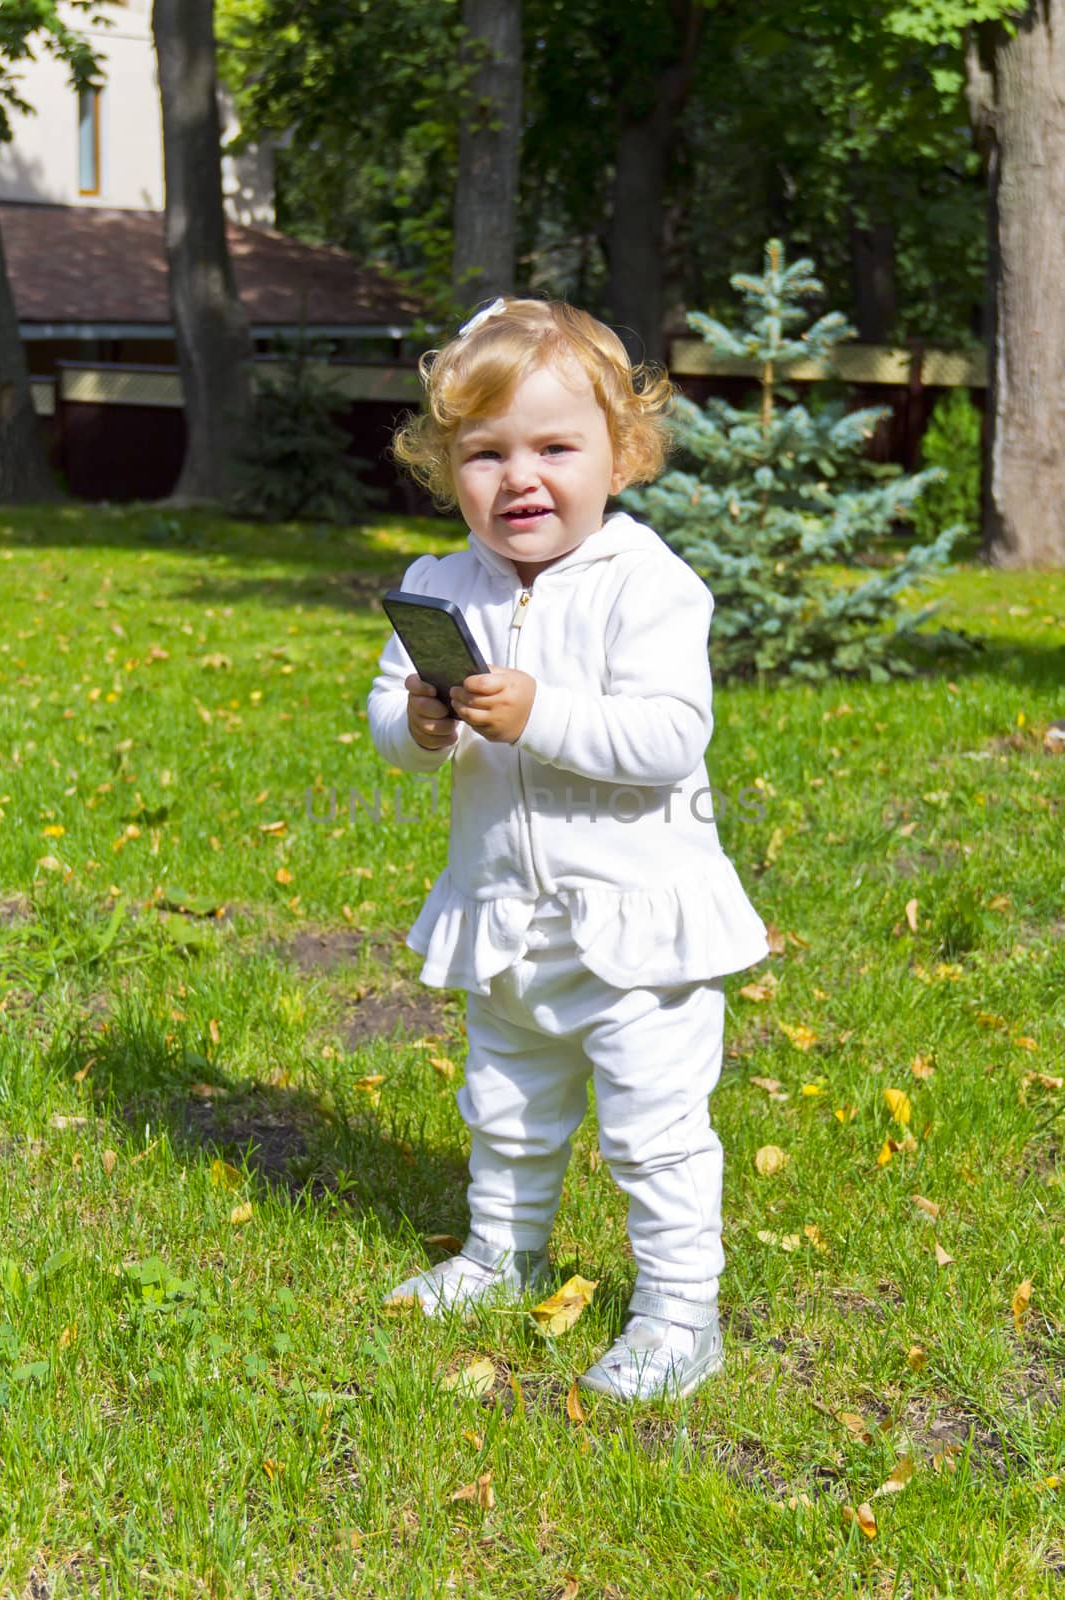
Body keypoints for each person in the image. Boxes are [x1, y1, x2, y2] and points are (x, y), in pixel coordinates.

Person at [367, 296, 769, 1401]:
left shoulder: (647, 584)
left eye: (553, 446)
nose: (519, 477)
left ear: (619, 454)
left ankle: (679, 1313)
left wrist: (539, 712)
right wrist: (420, 722)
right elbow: (385, 723)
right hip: (506, 915)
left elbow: (666, 736)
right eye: (485, 453)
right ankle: (501, 1253)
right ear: (445, 466)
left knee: (653, 1131)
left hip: (640, 929)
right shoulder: (439, 585)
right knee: (504, 1105)